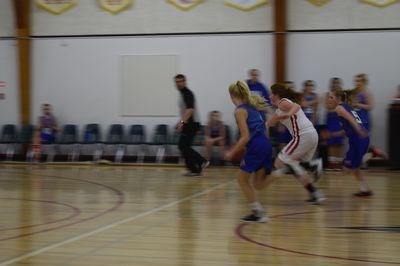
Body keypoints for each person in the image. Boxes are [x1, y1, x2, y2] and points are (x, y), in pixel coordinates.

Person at [266, 83, 324, 204]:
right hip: (310, 135)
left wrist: (289, 114)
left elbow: (297, 106)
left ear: (276, 94)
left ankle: (313, 165)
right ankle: (315, 193)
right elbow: (268, 124)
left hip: (303, 136)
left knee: (279, 162)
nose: (269, 96)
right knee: (294, 165)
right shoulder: (278, 110)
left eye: (271, 93)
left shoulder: (283, 102)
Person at [225, 80, 274, 223]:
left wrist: (232, 151)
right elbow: (265, 127)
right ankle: (280, 171)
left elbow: (245, 136)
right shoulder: (253, 107)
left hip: (257, 145)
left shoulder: (239, 110)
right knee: (258, 183)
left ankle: (258, 213)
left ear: (231, 95)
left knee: (241, 179)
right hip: (265, 143)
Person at [326, 89, 372, 197]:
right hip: (359, 139)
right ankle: (364, 189)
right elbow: (345, 130)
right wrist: (332, 134)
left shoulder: (339, 108)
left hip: (358, 139)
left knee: (347, 169)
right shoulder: (346, 107)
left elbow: (352, 119)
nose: (329, 99)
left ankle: (372, 154)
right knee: (355, 168)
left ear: (338, 99)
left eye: (331, 97)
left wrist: (359, 129)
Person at [174, 74, 208, 176]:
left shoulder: (187, 93)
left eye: (180, 81)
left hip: (192, 124)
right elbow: (185, 111)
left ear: (185, 82)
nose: (178, 83)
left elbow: (189, 110)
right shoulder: (182, 94)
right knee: (184, 146)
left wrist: (181, 123)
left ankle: (201, 162)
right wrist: (180, 122)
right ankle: (194, 169)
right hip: (188, 124)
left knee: (183, 146)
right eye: (177, 82)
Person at [353, 74, 387, 164]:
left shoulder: (367, 93)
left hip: (365, 120)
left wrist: (358, 105)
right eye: (356, 80)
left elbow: (371, 106)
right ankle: (373, 152)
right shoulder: (355, 93)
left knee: (362, 140)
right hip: (357, 119)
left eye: (359, 81)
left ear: (363, 82)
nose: (356, 82)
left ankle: (372, 153)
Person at [322, 78, 345, 170]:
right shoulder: (328, 94)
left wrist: (335, 106)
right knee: (331, 142)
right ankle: (332, 164)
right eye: (334, 83)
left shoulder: (343, 94)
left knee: (339, 142)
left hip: (339, 118)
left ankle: (338, 164)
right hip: (330, 118)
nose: (335, 84)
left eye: (337, 83)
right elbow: (328, 106)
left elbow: (343, 105)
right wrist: (335, 105)